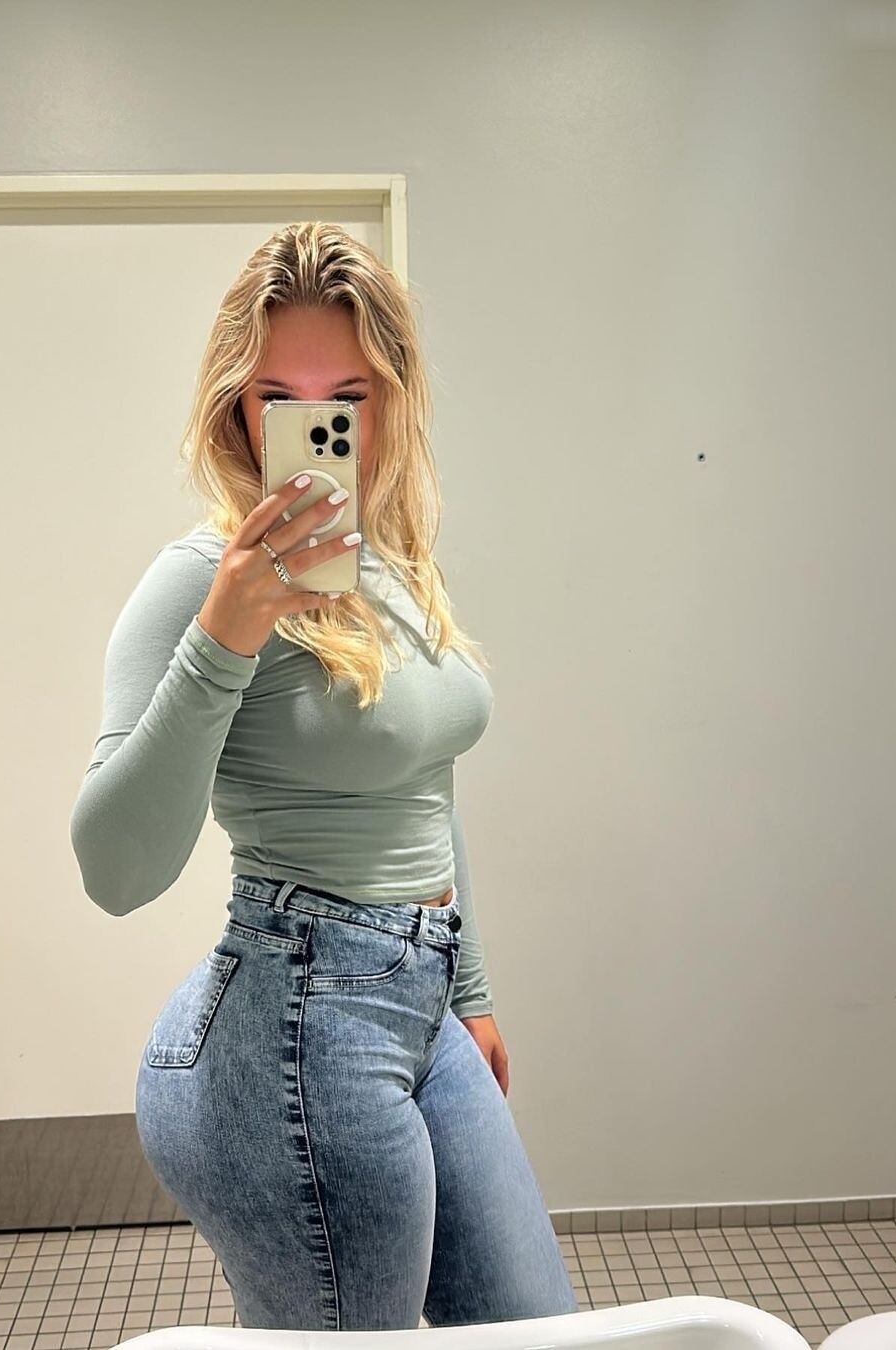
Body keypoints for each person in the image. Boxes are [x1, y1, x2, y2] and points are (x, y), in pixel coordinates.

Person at [69, 222, 578, 1332]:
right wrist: (225, 636)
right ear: (236, 412)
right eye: (279, 400)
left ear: (391, 403)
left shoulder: (394, 561)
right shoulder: (199, 579)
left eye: (347, 397)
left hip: (422, 998)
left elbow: (425, 782)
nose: (317, 431)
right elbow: (113, 867)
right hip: (301, 1015)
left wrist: (471, 989)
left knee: (537, 1328)